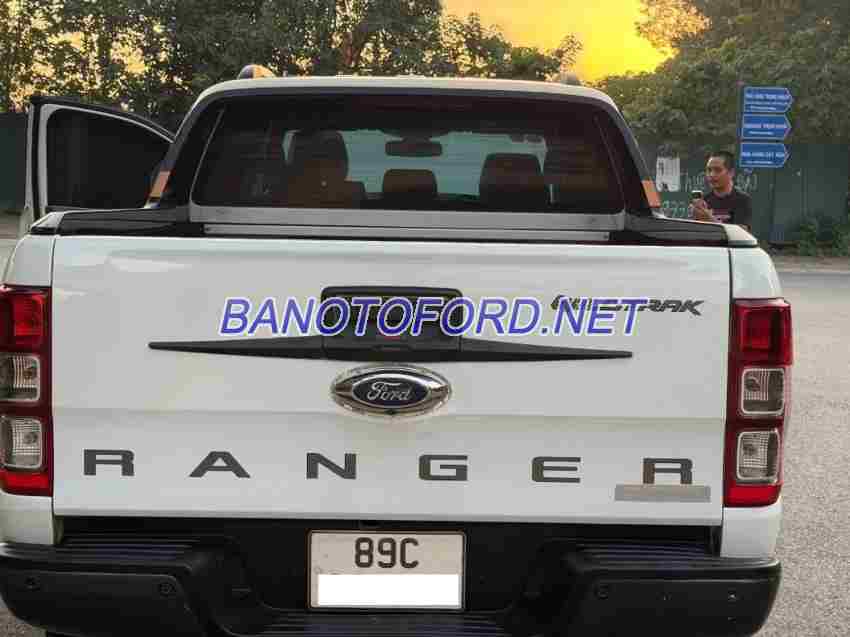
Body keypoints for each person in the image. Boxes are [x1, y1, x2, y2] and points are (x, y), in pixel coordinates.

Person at [689, 151, 752, 231]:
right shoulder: (704, 201)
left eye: (717, 170)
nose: (711, 174)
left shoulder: (742, 200)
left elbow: (741, 232)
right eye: (709, 170)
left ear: (731, 173)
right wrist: (694, 220)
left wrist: (710, 219)